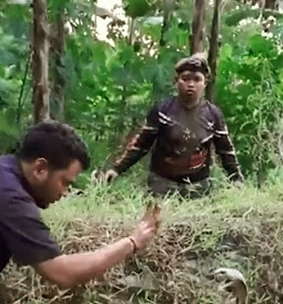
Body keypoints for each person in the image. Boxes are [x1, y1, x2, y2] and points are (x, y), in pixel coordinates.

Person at [0, 120, 160, 290]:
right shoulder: (10, 197)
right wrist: (133, 242)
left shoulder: (5, 173)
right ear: (40, 169)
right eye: (65, 182)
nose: (65, 192)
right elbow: (63, 273)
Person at [103, 53, 244, 197]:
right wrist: (117, 169)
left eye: (197, 79)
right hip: (162, 184)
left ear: (205, 83)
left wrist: (236, 178)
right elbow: (141, 145)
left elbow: (225, 150)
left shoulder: (213, 115)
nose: (190, 84)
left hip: (198, 186)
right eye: (185, 79)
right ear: (176, 81)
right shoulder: (162, 111)